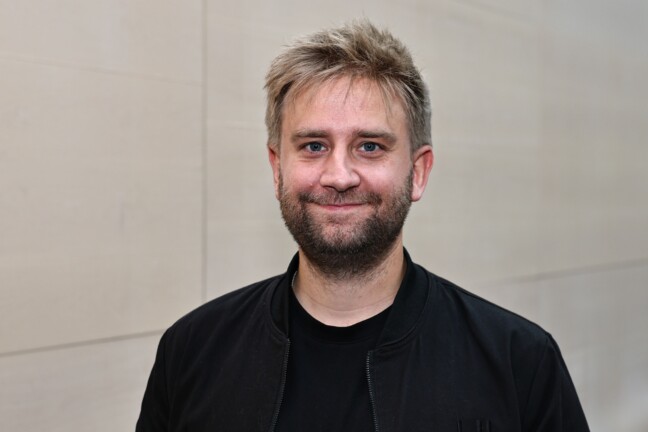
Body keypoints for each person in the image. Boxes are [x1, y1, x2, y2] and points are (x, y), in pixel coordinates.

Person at [136, 20, 589, 431]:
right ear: (277, 169)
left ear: (418, 172)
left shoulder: (520, 363)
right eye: (314, 146)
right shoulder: (192, 352)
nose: (339, 176)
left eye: (369, 146)